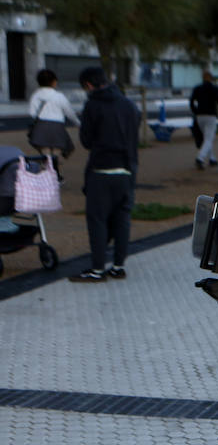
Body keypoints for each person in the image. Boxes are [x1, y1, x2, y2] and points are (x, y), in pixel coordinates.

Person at [68, 66, 139, 283]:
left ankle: (97, 269)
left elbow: (87, 141)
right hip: (126, 170)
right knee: (122, 219)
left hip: (101, 170)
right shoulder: (129, 105)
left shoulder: (92, 105)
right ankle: (118, 266)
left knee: (97, 221)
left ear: (88, 85)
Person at [27, 68, 79, 161]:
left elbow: (32, 113)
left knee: (46, 158)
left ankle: (46, 172)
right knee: (57, 156)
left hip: (41, 128)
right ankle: (55, 171)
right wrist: (78, 123)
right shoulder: (59, 96)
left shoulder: (35, 95)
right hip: (57, 129)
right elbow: (69, 112)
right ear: (54, 82)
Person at [189, 70, 218, 170]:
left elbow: (191, 101)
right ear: (211, 78)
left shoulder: (197, 88)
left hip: (199, 116)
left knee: (207, 138)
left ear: (202, 78)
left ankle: (212, 158)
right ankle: (200, 158)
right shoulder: (215, 89)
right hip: (211, 115)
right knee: (209, 138)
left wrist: (195, 111)